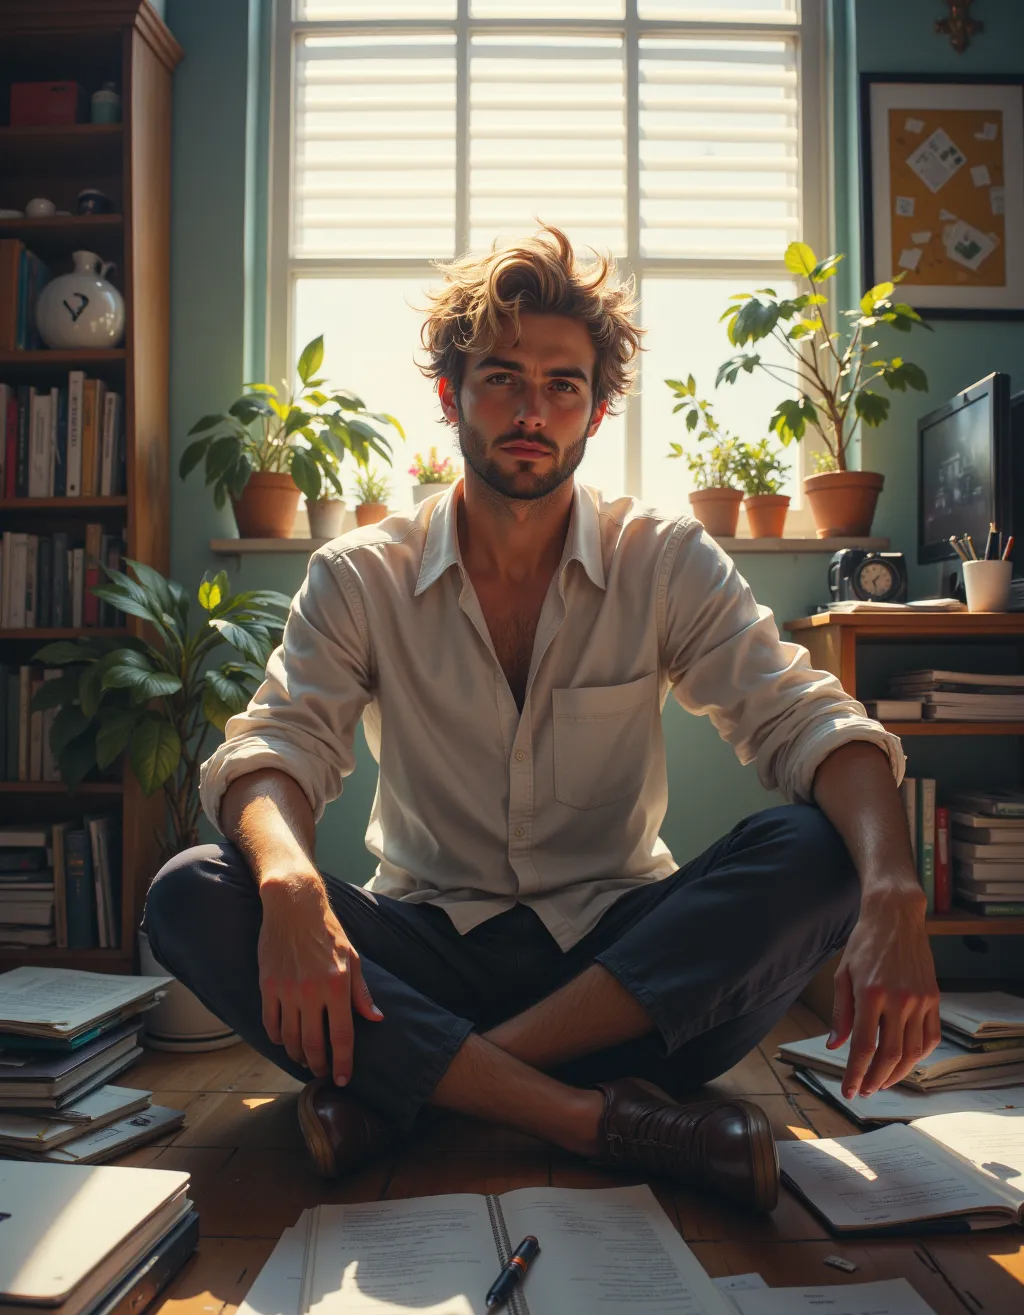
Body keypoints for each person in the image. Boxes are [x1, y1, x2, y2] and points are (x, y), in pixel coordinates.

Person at [144, 225, 940, 1213]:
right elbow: (277, 745)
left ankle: (431, 1090)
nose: (533, 410)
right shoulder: (360, 573)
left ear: (598, 410)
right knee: (195, 890)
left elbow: (803, 720)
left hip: (624, 966)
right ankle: (582, 1114)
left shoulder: (663, 559)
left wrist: (894, 889)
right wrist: (296, 888)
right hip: (427, 953)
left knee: (823, 850)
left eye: (564, 385)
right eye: (501, 378)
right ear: (450, 396)